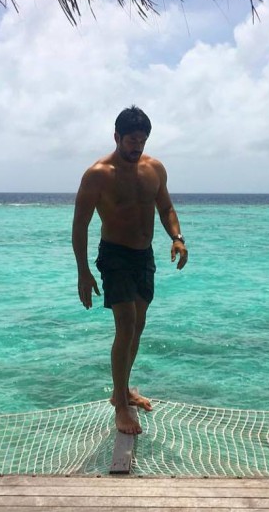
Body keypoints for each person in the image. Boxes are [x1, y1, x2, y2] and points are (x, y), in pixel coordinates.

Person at [72, 106, 188, 435]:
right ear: (116, 137)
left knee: (138, 326)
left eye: (142, 140)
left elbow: (166, 207)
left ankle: (121, 390)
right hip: (115, 256)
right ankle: (121, 406)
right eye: (131, 140)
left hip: (143, 256)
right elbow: (80, 225)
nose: (137, 147)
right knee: (125, 325)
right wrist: (83, 271)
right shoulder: (98, 175)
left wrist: (177, 238)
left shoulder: (154, 169)